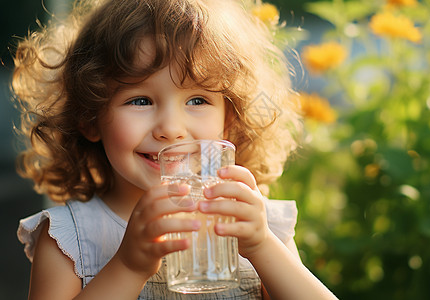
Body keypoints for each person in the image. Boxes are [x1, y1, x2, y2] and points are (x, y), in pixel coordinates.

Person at [12, 0, 338, 299]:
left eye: (198, 100)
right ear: (90, 118)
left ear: (230, 120)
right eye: (140, 100)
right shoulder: (70, 240)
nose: (171, 129)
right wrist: (128, 267)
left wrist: (263, 246)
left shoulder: (257, 226)